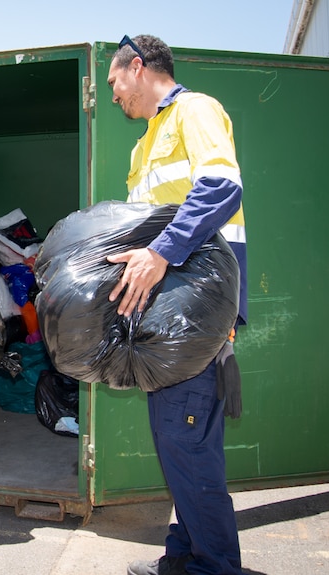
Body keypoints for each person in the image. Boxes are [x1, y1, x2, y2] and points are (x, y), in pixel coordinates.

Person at [106, 35, 247, 575]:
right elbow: (146, 226)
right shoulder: (146, 142)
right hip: (169, 312)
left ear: (137, 67)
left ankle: (213, 566)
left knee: (185, 441)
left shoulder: (196, 109)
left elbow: (220, 186)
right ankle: (184, 556)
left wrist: (161, 253)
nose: (116, 97)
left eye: (116, 84)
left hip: (195, 308)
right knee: (178, 439)